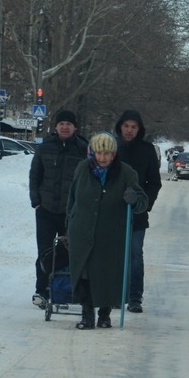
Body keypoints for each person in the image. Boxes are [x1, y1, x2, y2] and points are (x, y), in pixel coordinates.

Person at [67, 132, 148, 329]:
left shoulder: (126, 172)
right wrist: (69, 222)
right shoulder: (82, 168)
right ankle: (87, 315)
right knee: (84, 274)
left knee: (106, 273)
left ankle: (104, 314)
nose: (102, 158)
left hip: (112, 233)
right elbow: (72, 198)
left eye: (107, 153)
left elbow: (142, 201)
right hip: (82, 231)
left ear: (114, 154)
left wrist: (134, 198)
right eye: (98, 153)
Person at [28, 110, 89, 308]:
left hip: (70, 212)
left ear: (75, 128)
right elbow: (34, 175)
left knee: (67, 252)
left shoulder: (82, 149)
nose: (65, 127)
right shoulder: (45, 147)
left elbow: (87, 180)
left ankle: (63, 289)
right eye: (61, 123)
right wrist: (36, 201)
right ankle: (42, 290)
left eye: (69, 124)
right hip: (45, 209)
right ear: (55, 127)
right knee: (44, 252)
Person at [114, 110, 162, 313]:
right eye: (126, 126)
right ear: (120, 127)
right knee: (113, 255)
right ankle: (114, 294)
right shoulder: (112, 148)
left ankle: (134, 297)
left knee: (135, 255)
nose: (129, 130)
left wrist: (144, 204)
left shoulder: (147, 150)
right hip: (112, 212)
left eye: (134, 127)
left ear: (139, 129)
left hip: (137, 214)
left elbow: (154, 182)